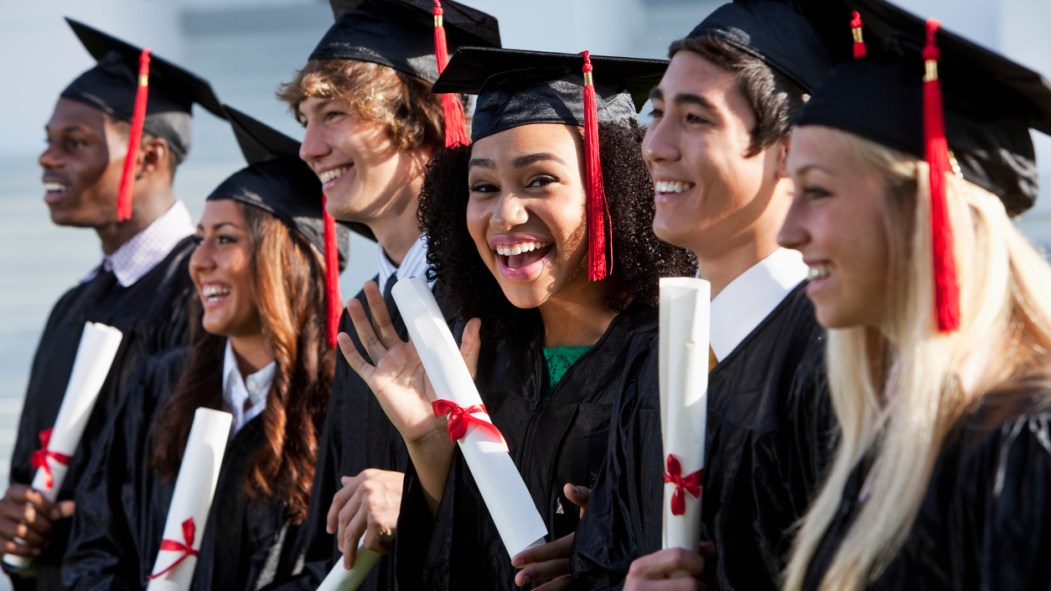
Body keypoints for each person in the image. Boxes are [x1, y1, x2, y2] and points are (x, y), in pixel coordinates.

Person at [341, 46, 696, 590]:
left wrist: (603, 559)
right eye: (483, 187)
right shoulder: (481, 366)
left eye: (539, 181)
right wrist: (432, 448)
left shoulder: (679, 360)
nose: (505, 213)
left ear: (613, 190)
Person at [568, 2, 850, 589]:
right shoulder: (656, 356)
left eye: (696, 118)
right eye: (657, 112)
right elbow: (601, 562)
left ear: (792, 149)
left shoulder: (837, 354)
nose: (655, 145)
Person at [776, 2, 1051, 589]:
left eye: (818, 192)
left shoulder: (1025, 440)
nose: (787, 230)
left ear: (928, 212)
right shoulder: (889, 423)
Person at [60, 107, 350, 590]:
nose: (199, 262)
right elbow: (96, 543)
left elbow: (339, 567)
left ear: (288, 262)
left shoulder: (341, 402)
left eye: (225, 239)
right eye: (199, 240)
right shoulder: (161, 385)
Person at [272, 2, 501, 587]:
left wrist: (427, 496)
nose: (308, 147)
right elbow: (327, 543)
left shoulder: (499, 292)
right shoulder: (365, 318)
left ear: (419, 116)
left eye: (333, 115)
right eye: (305, 119)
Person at [1, 19, 224, 591]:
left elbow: (189, 482)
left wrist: (84, 521)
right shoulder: (72, 305)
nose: (47, 159)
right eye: (50, 140)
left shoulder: (205, 296)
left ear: (148, 157)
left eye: (74, 143)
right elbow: (31, 465)